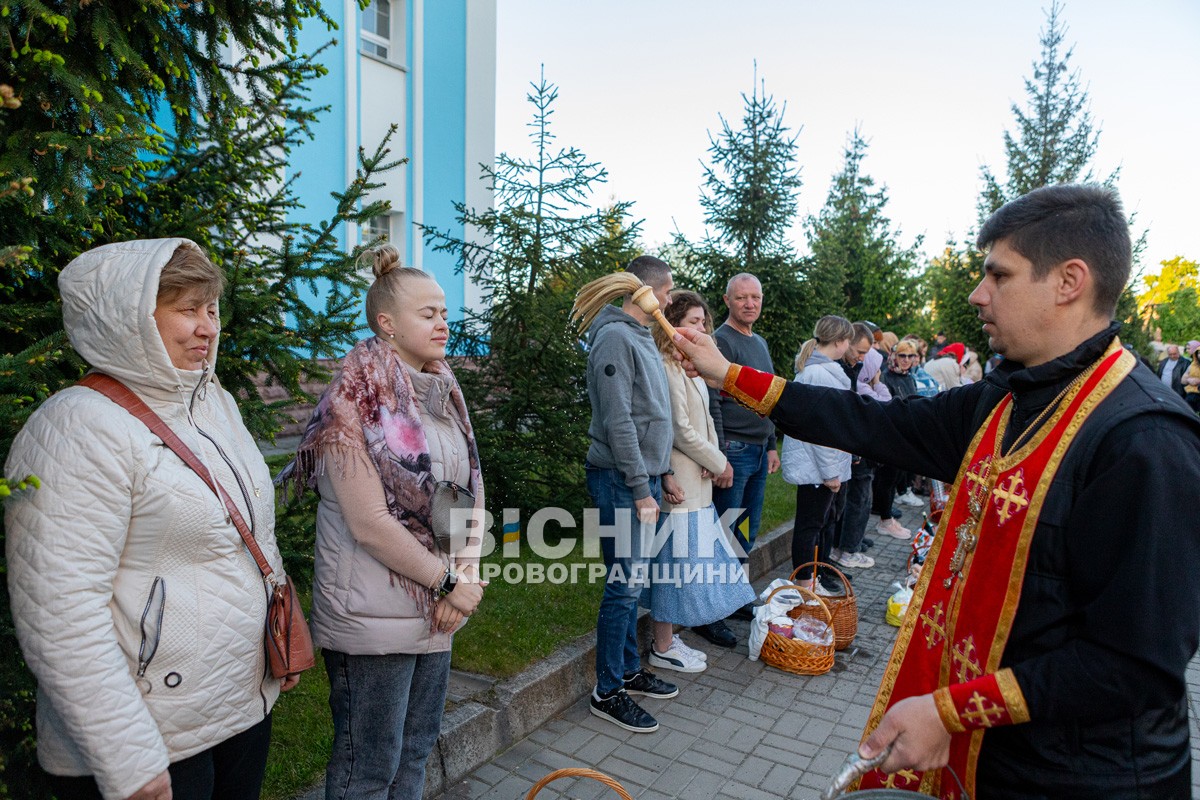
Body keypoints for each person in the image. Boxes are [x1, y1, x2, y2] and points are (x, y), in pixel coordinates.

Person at [671, 184, 1200, 799]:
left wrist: (952, 711)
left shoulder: (1146, 442)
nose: (977, 294)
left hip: (1086, 779)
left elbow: (1133, 664)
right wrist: (728, 373)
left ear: (1069, 281)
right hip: (991, 757)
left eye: (998, 275)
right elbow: (874, 423)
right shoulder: (1007, 397)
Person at [6, 239, 294, 800]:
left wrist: (275, 648)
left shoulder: (214, 405)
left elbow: (250, 536)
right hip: (151, 737)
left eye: (211, 309)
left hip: (238, 708)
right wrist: (128, 759)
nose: (207, 327)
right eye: (186, 309)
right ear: (129, 318)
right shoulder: (77, 427)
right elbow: (60, 612)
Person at [286, 245, 486, 799]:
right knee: (369, 767)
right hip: (373, 618)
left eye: (444, 312)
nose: (443, 323)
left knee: (417, 750)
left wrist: (463, 577)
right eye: (429, 314)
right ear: (387, 324)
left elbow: (471, 491)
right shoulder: (352, 404)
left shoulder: (444, 392)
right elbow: (370, 524)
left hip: (437, 611)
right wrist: (447, 581)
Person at [584, 255, 683, 733]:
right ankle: (607, 690)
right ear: (644, 293)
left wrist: (662, 474)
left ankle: (627, 670)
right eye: (665, 290)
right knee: (623, 587)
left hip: (642, 481)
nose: (670, 299)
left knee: (631, 585)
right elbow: (618, 420)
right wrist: (642, 487)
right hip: (622, 483)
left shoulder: (639, 335)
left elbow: (651, 414)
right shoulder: (616, 338)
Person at [641, 290, 756, 664]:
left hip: (698, 474)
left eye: (704, 321)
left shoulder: (684, 364)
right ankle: (662, 646)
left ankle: (669, 638)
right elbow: (678, 427)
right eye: (694, 321)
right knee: (674, 567)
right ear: (672, 324)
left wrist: (713, 455)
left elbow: (705, 418)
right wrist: (718, 460)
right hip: (682, 480)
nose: (703, 327)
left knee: (685, 564)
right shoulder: (665, 364)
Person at [709, 273, 779, 622]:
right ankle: (713, 610)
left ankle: (735, 597)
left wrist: (771, 444)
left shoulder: (760, 343)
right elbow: (715, 402)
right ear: (727, 301)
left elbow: (767, 397)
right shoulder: (721, 342)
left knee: (746, 530)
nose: (750, 304)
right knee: (725, 530)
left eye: (755, 297)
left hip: (757, 449)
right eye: (741, 298)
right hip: (733, 450)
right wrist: (720, 453)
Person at [781, 315, 854, 593]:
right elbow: (823, 429)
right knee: (809, 526)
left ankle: (814, 579)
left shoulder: (817, 370)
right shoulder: (819, 374)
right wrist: (830, 473)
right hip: (817, 467)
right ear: (840, 341)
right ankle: (805, 584)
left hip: (818, 465)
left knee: (817, 524)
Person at [830, 322, 884, 570]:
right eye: (860, 352)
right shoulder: (840, 373)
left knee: (854, 501)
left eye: (865, 355)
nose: (861, 358)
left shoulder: (853, 370)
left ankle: (843, 549)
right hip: (845, 451)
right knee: (849, 504)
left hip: (855, 450)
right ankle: (841, 552)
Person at [1182, 340, 1200, 413]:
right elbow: (1183, 380)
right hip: (1190, 395)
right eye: (1199, 353)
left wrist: (1198, 381)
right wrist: (1189, 380)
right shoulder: (1192, 365)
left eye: (1189, 348)